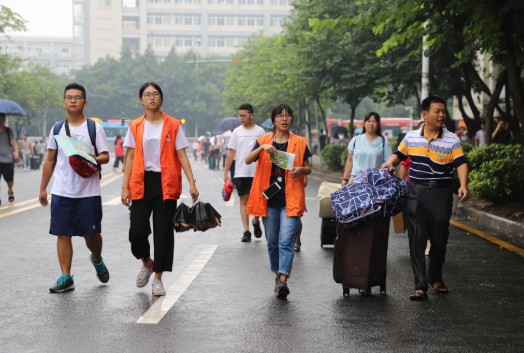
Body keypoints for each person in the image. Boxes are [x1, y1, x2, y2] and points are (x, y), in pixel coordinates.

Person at [381, 96, 469, 301]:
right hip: (416, 193)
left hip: (441, 193)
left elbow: (461, 163)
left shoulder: (452, 139)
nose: (441, 115)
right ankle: (420, 284)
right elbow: (399, 155)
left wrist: (463, 184)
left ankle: (435, 277)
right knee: (417, 240)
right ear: (425, 114)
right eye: (437, 111)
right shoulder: (411, 137)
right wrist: (389, 163)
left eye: (443, 111)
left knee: (439, 239)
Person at [121, 82, 199, 297]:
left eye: (155, 94)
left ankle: (158, 279)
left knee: (163, 233)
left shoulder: (173, 124)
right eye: (147, 95)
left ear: (161, 99)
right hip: (140, 181)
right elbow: (129, 157)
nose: (152, 98)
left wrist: (192, 182)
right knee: (136, 232)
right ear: (141, 100)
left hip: (166, 183)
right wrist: (124, 187)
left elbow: (182, 154)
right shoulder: (135, 126)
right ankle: (147, 262)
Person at [39, 83, 110, 293]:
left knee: (91, 235)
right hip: (62, 191)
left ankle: (97, 258)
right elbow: (50, 159)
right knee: (63, 233)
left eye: (77, 97)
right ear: (63, 102)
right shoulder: (57, 129)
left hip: (89, 192)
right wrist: (43, 188)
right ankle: (66, 276)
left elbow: (105, 156)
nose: (72, 100)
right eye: (69, 97)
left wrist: (88, 158)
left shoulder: (94, 128)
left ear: (85, 102)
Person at [246, 103, 312, 299]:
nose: (284, 119)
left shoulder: (300, 142)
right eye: (280, 116)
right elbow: (247, 160)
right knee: (272, 242)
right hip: (269, 201)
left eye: (288, 115)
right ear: (273, 120)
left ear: (291, 119)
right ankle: (277, 273)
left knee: (286, 241)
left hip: (291, 200)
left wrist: (301, 170)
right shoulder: (263, 140)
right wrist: (262, 149)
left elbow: (308, 168)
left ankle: (283, 279)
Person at [223, 103, 265, 242]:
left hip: (257, 171)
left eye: (243, 115)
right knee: (243, 200)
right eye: (239, 115)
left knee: (258, 199)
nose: (241, 118)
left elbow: (264, 152)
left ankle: (255, 220)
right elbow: (231, 152)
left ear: (251, 115)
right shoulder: (237, 132)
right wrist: (226, 172)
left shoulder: (260, 131)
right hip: (241, 171)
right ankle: (246, 230)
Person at [341, 112, 392, 185]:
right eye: (369, 121)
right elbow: (349, 160)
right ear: (364, 123)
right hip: (355, 181)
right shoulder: (355, 140)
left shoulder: (384, 142)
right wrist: (345, 179)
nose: (371, 124)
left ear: (378, 125)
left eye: (374, 122)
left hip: (375, 183)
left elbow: (389, 163)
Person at [0, 113, 19, 205]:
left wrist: (16, 152)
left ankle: (10, 190)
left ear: (4, 119)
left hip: (7, 160)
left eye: (1, 118)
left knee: (9, 179)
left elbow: (14, 142)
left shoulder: (8, 131)